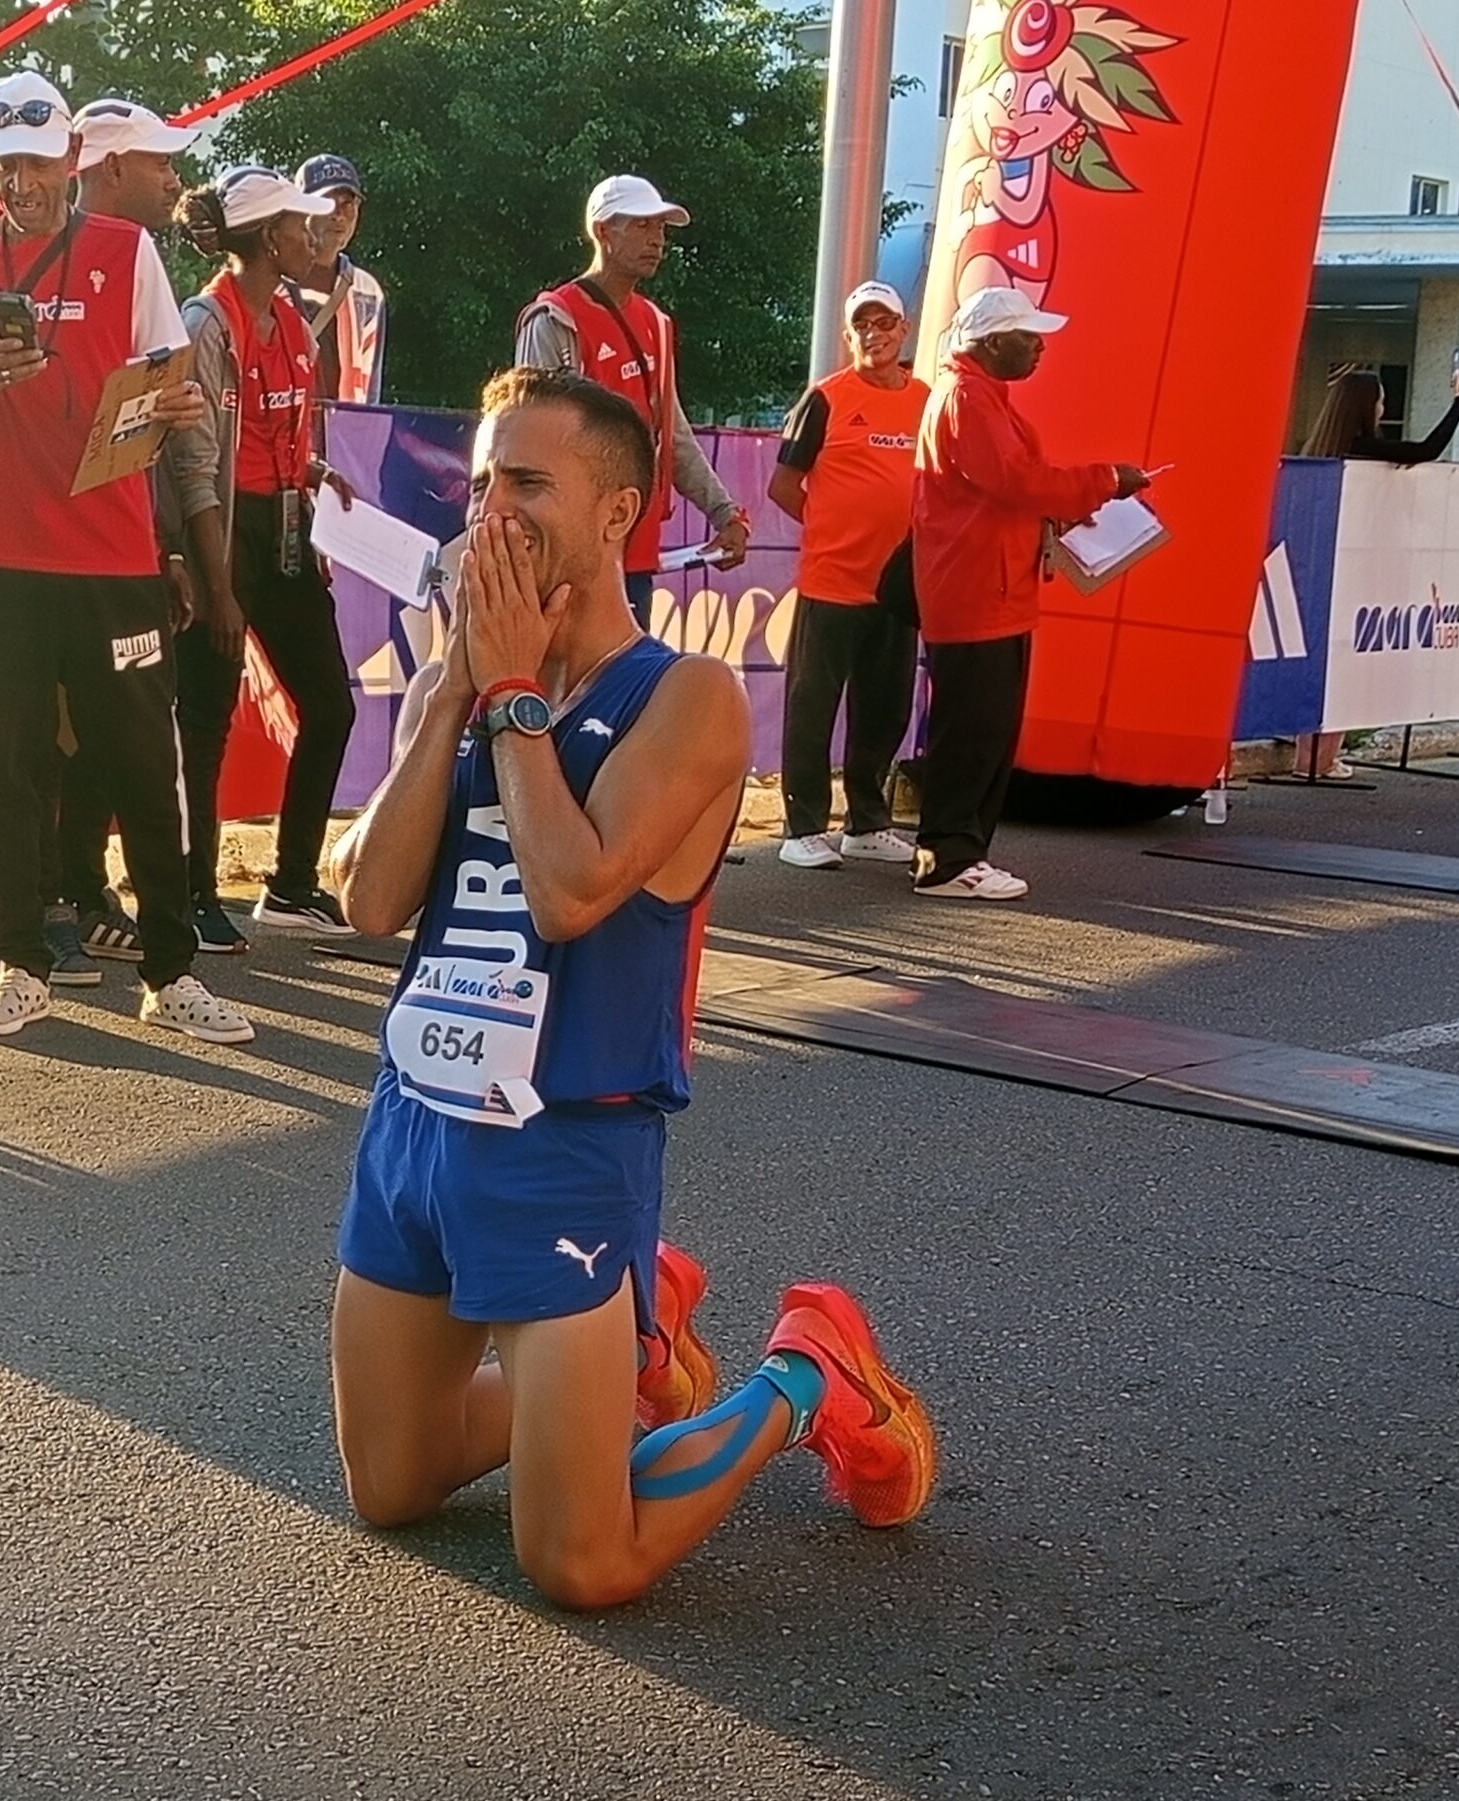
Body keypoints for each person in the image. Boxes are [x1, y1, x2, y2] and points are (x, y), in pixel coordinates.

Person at [325, 367, 936, 1609]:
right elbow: (369, 903)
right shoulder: (459, 680)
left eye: (527, 483)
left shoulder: (684, 696)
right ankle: (635, 1328)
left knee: (578, 1563)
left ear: (617, 513)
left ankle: (806, 1375)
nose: (492, 512)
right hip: (414, 1126)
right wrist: (452, 690)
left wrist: (511, 694)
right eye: (482, 484)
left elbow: (570, 894)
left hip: (564, 1145)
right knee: (392, 1487)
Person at [0, 72, 253, 1045]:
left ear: (70, 157)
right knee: (10, 766)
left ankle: (171, 973)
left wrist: (174, 405)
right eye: (3, 166)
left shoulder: (127, 250)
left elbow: (165, 388)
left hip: (112, 559)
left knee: (141, 762)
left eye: (36, 163)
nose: (21, 183)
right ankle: (20, 965)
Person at [166, 167, 361, 940]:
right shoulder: (206, 321)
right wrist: (216, 588)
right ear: (268, 237)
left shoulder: (289, 316)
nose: (313, 233)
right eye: (298, 222)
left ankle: (289, 885)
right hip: (219, 533)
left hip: (282, 526)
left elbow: (274, 430)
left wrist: (310, 473)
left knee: (332, 705)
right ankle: (192, 895)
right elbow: (195, 463)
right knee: (206, 719)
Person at [39, 94, 204, 978]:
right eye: (158, 163)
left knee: (113, 731)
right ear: (109, 169)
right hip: (31, 552)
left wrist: (163, 547)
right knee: (46, 735)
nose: (174, 180)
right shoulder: (35, 255)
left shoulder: (138, 261)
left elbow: (146, 428)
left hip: (121, 547)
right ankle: (48, 908)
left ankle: (88, 890)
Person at [911, 285, 1147, 902]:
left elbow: (1009, 488)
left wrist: (1072, 503)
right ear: (992, 343)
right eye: (1029, 336)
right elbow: (1016, 480)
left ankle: (961, 853)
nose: (1040, 347)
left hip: (992, 586)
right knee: (972, 731)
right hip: (976, 590)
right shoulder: (967, 398)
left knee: (985, 731)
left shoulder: (976, 395)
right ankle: (946, 859)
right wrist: (1104, 480)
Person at [515, 175, 750, 625]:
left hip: (635, 553)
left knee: (626, 670)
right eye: (642, 225)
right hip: (569, 555)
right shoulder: (556, 318)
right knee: (564, 672)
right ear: (603, 231)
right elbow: (527, 442)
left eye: (660, 228)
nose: (657, 240)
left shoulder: (656, 323)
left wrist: (725, 513)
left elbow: (673, 435)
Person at [768, 280, 926, 870]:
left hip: (898, 587)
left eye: (884, 322)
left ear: (904, 330)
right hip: (831, 582)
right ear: (847, 335)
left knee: (886, 710)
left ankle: (867, 823)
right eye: (862, 324)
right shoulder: (825, 398)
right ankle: (803, 827)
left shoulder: (927, 399)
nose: (873, 334)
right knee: (813, 708)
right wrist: (832, 527)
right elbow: (783, 485)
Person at [1288, 361, 1459, 778]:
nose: (1382, 410)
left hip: (1316, 570)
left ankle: (1309, 755)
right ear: (1365, 407)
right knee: (1346, 667)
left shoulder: (1317, 450)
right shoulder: (1364, 448)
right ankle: (1320, 759)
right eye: (1380, 402)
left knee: (1322, 664)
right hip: (1354, 572)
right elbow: (1427, 449)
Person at [287, 153, 385, 406]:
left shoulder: (367, 291)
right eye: (327, 203)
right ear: (301, 209)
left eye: (348, 204)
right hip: (281, 424)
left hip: (343, 425)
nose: (339, 215)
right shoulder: (275, 280)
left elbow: (371, 385)